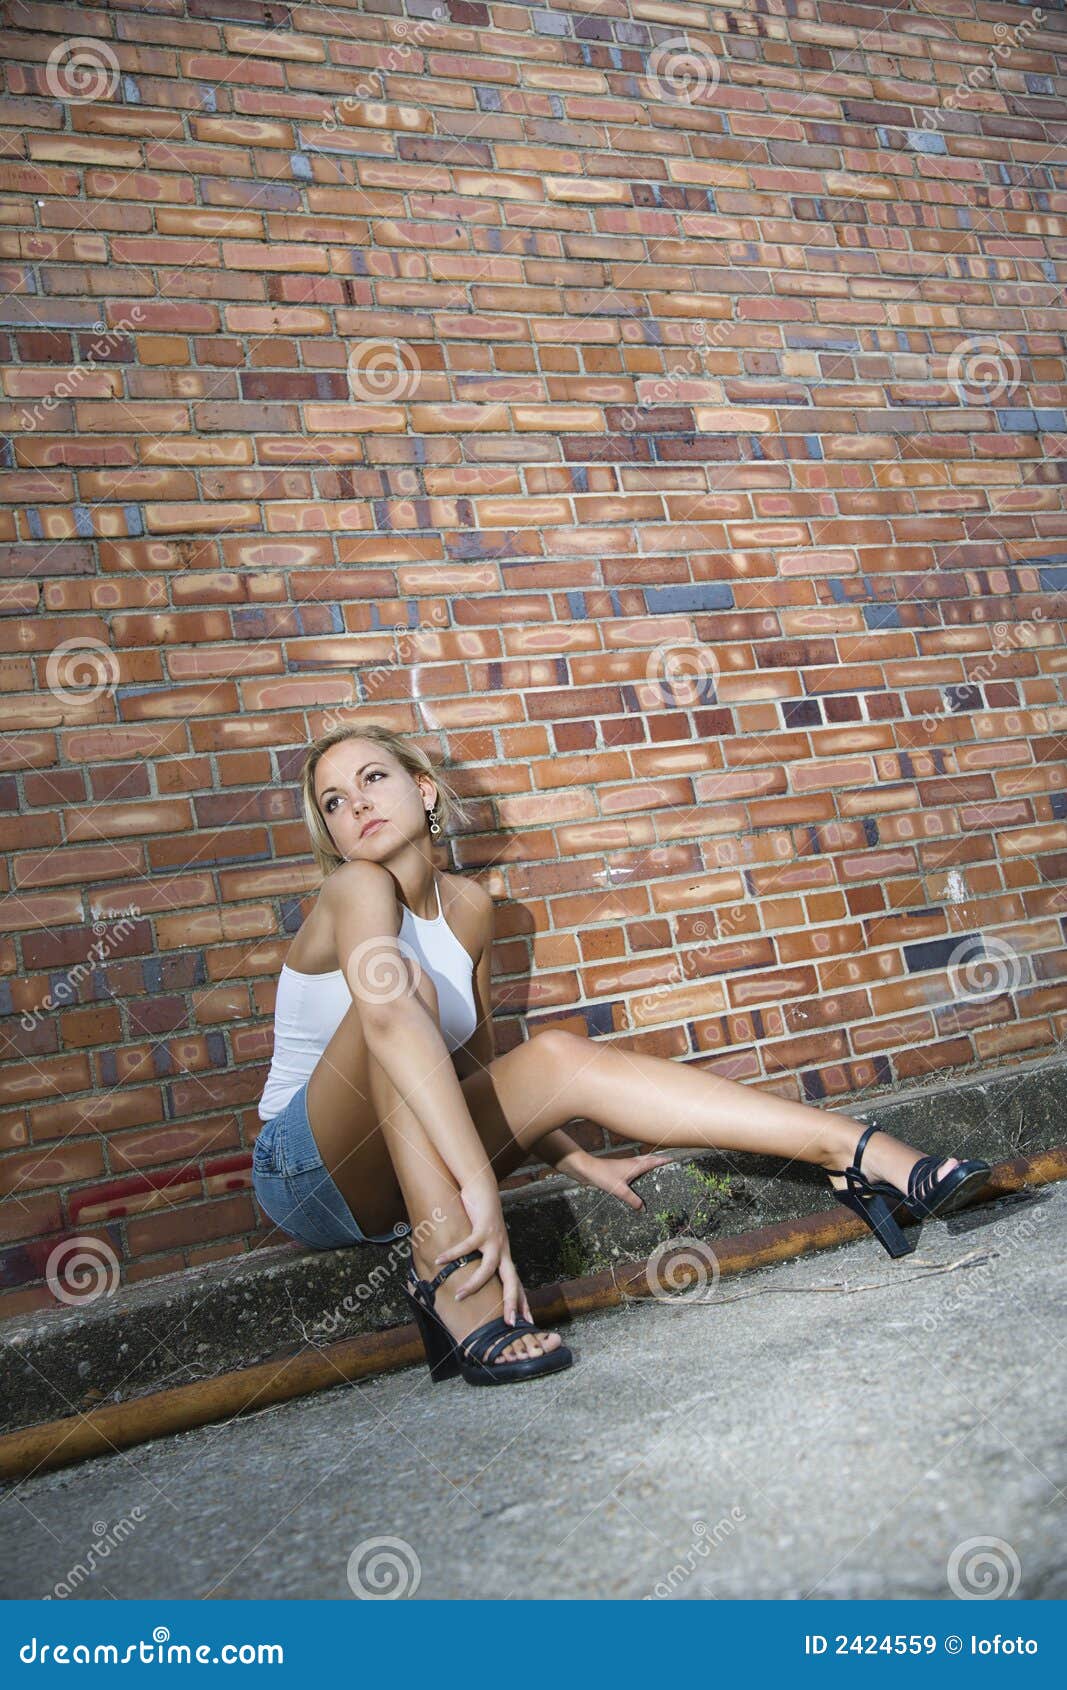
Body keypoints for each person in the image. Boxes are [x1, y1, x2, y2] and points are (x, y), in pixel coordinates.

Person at [252, 722, 991, 1388]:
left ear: (420, 789)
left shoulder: (470, 909)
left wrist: (571, 1157)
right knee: (392, 987)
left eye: (372, 778)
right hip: (311, 1173)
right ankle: (449, 1274)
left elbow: (471, 1072)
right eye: (332, 801)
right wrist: (479, 1183)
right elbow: (387, 1028)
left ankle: (854, 1153)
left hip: (404, 1159)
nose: (355, 803)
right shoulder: (353, 889)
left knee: (555, 1055)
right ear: (331, 833)